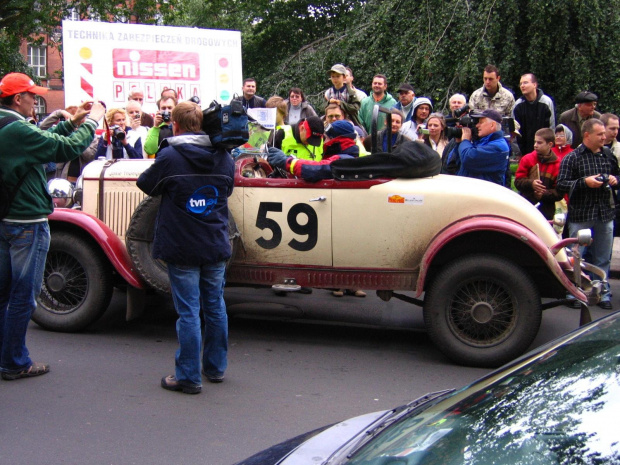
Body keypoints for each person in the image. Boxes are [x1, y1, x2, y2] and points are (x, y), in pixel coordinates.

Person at [0, 72, 106, 380]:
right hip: (27, 221)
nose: (36, 100)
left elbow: (44, 144)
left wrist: (72, 121)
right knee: (24, 296)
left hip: (6, 217)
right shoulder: (17, 129)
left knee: (3, 294)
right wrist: (90, 122)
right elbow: (64, 149)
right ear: (18, 99)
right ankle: (15, 362)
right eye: (32, 96)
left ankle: (6, 356)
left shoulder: (9, 125)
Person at [136, 101, 235, 394]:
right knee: (215, 306)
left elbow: (147, 185)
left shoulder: (169, 155)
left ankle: (189, 377)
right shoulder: (223, 156)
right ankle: (215, 369)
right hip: (215, 242)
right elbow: (227, 189)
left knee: (189, 311)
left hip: (181, 245)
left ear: (175, 125)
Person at [557, 119, 618, 310]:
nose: (604, 137)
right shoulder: (573, 158)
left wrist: (614, 179)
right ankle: (573, 291)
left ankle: (602, 292)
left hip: (605, 213)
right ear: (587, 135)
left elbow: (618, 176)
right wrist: (585, 182)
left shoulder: (608, 155)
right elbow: (561, 185)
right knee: (576, 256)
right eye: (600, 134)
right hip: (581, 214)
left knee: (603, 257)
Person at [447, 109, 510, 185]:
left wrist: (465, 140)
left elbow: (468, 160)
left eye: (481, 122)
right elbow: (457, 162)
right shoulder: (479, 142)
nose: (477, 125)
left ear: (492, 125)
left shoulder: (498, 147)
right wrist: (459, 143)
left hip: (485, 193)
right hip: (471, 191)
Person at [514, 128, 563, 219]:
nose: (535, 145)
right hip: (526, 207)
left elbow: (559, 192)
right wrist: (531, 184)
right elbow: (517, 182)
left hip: (546, 211)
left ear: (550, 144)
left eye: (539, 143)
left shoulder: (558, 165)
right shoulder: (527, 159)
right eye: (535, 142)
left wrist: (543, 194)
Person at [512, 73, 555, 155]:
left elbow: (551, 127)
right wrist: (518, 152)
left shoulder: (546, 102)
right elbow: (514, 132)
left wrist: (549, 150)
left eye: (525, 83)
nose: (522, 86)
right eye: (521, 83)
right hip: (524, 152)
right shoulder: (518, 105)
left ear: (534, 84)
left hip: (544, 151)